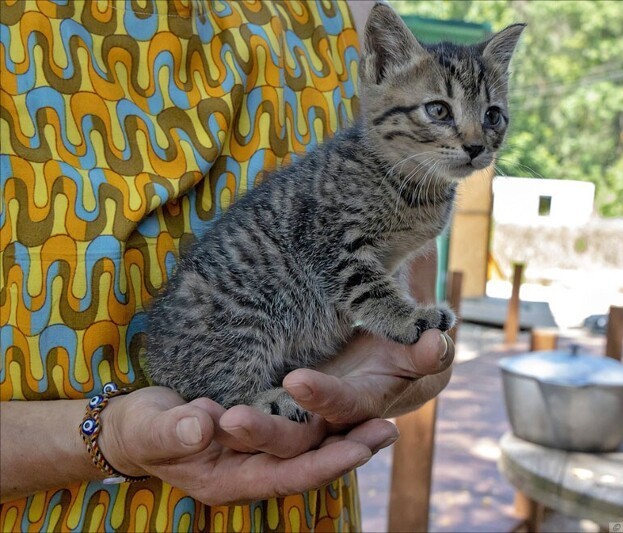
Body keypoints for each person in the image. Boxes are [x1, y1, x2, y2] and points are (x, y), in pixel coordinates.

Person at [0, 1, 454, 530]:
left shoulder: (349, 13)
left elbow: (415, 325)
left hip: (298, 500)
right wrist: (113, 438)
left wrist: (394, 376)